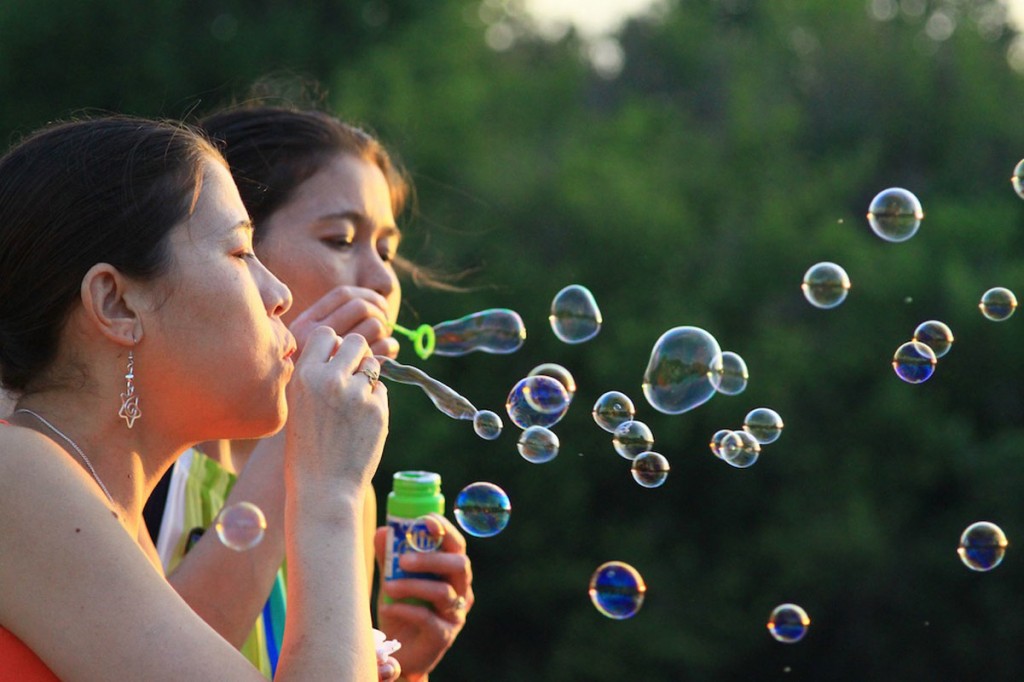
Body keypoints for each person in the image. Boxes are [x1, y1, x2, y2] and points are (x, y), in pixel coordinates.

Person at [0, 116, 399, 680]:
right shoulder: (15, 474)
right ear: (116, 304)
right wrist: (328, 494)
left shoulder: (112, 517)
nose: (279, 294)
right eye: (241, 253)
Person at [142, 103, 473, 681]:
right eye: (342, 239)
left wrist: (404, 663)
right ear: (238, 251)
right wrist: (301, 428)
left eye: (388, 250)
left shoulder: (346, 489)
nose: (383, 280)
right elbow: (148, 666)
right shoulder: (147, 452)